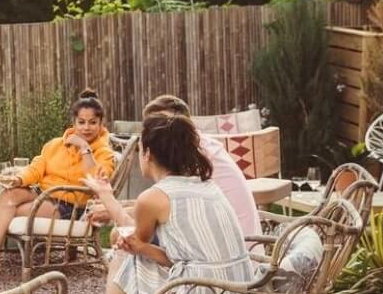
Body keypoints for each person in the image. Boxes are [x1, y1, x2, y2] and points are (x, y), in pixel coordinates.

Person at [51, 114, 254, 294]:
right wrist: (130, 233)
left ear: (147, 154)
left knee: (122, 255)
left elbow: (129, 237)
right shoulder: (207, 186)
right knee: (131, 252)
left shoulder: (154, 197)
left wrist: (106, 195)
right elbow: (172, 256)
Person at [0, 89, 116, 264]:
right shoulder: (55, 145)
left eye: (92, 122)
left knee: (3, 212)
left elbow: (95, 181)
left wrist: (84, 147)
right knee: (8, 194)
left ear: (101, 123)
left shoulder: (104, 153)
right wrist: (19, 179)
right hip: (43, 193)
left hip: (69, 206)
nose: (86, 127)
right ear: (73, 123)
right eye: (81, 122)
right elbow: (37, 167)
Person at [86, 94, 260, 239]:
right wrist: (118, 204)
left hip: (232, 245)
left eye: (160, 123)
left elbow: (160, 209)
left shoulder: (192, 155)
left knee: (122, 235)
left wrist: (111, 209)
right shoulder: (199, 146)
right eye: (150, 125)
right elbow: (162, 204)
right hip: (234, 243)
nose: (154, 132)